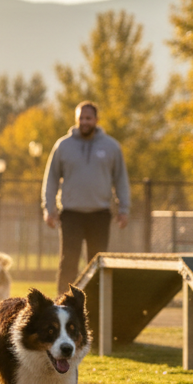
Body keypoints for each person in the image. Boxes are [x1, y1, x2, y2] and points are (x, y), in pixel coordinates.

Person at [41, 101, 131, 294]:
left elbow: (121, 180)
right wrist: (49, 208)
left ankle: (96, 304)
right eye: (81, 118)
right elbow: (51, 179)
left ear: (96, 120)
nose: (84, 122)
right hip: (71, 214)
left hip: (100, 214)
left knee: (97, 263)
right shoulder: (63, 146)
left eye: (88, 118)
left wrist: (124, 209)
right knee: (68, 262)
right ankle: (61, 305)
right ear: (76, 119)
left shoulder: (111, 147)